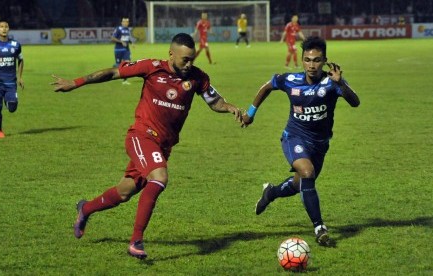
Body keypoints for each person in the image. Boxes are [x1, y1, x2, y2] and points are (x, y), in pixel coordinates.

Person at [51, 33, 243, 259]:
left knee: (124, 192)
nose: (189, 64)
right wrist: (76, 83)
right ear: (171, 54)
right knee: (159, 177)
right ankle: (136, 241)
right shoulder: (151, 67)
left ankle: (85, 209)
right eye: (184, 60)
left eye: (192, 59)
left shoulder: (198, 77)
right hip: (141, 136)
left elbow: (214, 101)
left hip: (163, 145)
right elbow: (113, 72)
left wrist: (229, 107)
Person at [242, 36, 360, 246]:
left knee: (301, 183)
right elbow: (267, 87)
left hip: (320, 144)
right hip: (293, 137)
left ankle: (271, 192)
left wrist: (340, 82)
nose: (311, 65)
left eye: (316, 60)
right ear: (302, 60)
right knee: (307, 173)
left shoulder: (332, 83)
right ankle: (319, 227)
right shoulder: (290, 80)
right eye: (307, 60)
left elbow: (355, 102)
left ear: (324, 60)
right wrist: (251, 113)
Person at [110, 17, 132, 84]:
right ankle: (114, 67)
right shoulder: (118, 29)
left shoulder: (128, 29)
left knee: (127, 63)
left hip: (126, 50)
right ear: (122, 22)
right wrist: (121, 42)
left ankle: (125, 80)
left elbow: (127, 39)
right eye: (124, 22)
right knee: (118, 65)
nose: (126, 23)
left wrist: (132, 43)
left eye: (127, 22)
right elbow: (113, 39)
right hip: (118, 50)